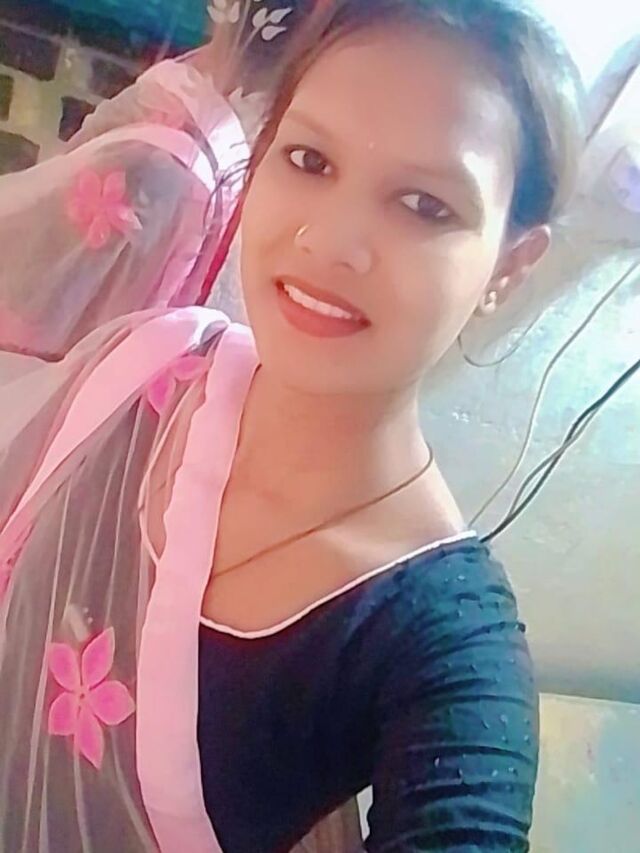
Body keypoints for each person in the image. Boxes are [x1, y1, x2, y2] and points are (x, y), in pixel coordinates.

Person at [0, 1, 585, 851]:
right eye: (309, 159)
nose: (331, 241)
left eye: (424, 205)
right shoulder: (149, 367)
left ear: (510, 265)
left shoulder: (441, 643)